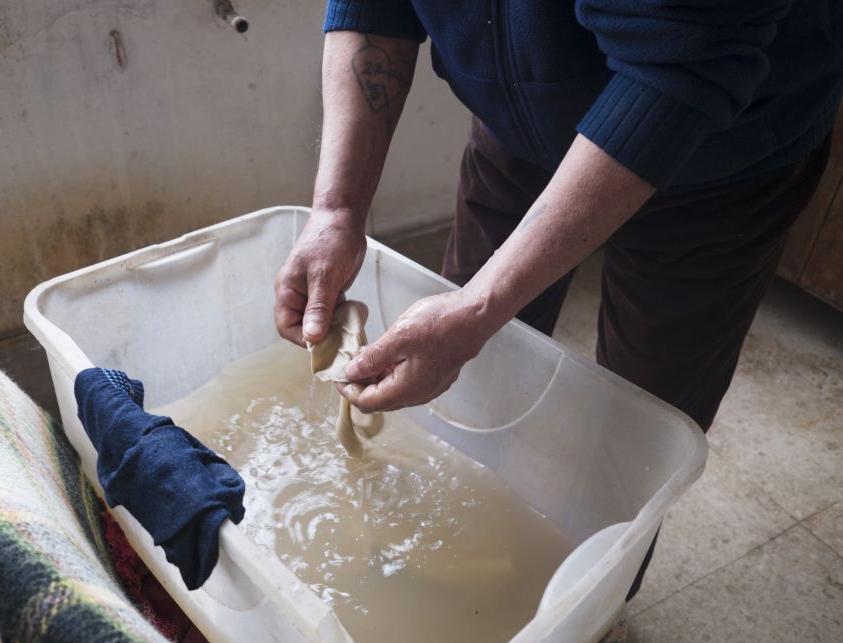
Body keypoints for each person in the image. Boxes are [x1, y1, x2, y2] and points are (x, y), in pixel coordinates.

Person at [273, 1, 842, 598]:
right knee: (464, 380)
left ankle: (586, 615)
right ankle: (462, 577)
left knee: (637, 429)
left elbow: (680, 68)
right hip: (518, 129)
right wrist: (337, 209)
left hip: (722, 155)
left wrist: (476, 310)